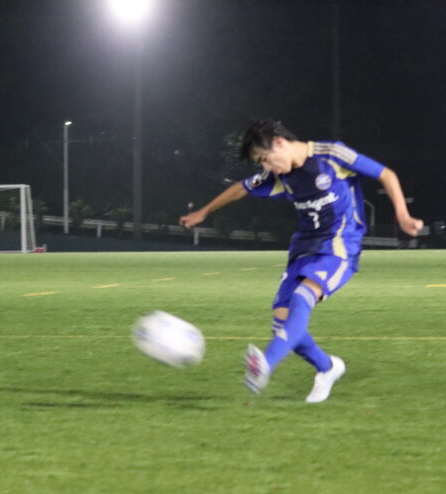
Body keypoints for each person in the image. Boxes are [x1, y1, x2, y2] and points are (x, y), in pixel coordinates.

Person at [179, 120, 423, 402]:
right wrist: (205, 212)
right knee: (281, 324)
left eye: (265, 159)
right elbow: (241, 188)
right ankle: (327, 367)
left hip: (340, 244)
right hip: (304, 247)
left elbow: (386, 174)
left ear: (280, 143)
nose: (267, 167)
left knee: (302, 297)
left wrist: (402, 215)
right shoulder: (280, 174)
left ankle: (266, 364)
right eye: (261, 162)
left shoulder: (331, 154)